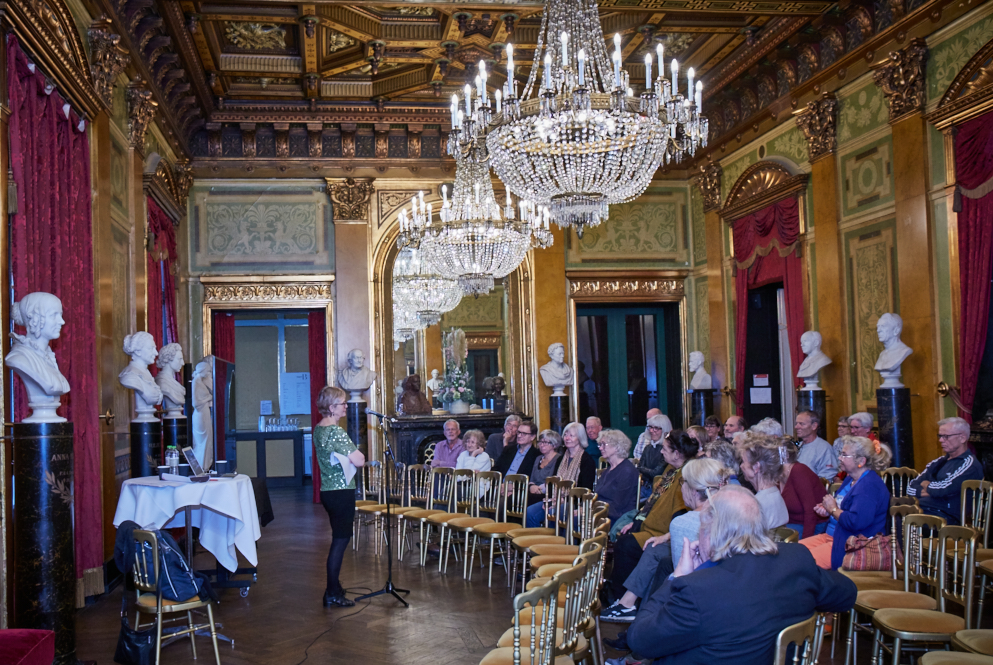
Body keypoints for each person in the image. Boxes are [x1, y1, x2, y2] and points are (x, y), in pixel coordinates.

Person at [627, 486, 858, 664]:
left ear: (713, 532)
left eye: (702, 528)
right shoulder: (796, 559)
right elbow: (847, 594)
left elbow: (639, 640)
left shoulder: (697, 589)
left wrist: (676, 577)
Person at [600, 458, 729, 623]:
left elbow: (682, 579)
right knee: (656, 552)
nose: (680, 487)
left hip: (695, 604)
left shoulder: (683, 523)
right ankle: (632, 607)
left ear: (694, 490)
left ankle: (642, 619)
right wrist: (667, 536)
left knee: (660, 565)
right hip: (721, 592)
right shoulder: (727, 511)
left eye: (683, 482)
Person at [608, 431, 698, 600]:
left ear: (676, 454)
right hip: (650, 524)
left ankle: (620, 597)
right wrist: (636, 521)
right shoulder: (671, 469)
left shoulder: (686, 474)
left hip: (662, 531)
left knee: (626, 545)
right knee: (625, 537)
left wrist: (665, 536)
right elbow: (653, 501)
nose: (661, 452)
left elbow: (681, 512)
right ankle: (618, 594)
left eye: (665, 449)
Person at [800, 436, 892, 569]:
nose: (839, 458)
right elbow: (841, 508)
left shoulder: (869, 486)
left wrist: (833, 510)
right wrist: (827, 509)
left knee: (800, 563)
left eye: (844, 455)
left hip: (851, 545)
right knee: (793, 552)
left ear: (861, 461)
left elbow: (856, 522)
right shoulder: (851, 479)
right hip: (834, 536)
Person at [314, 385, 366, 608]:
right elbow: (359, 460)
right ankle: (332, 592)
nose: (346, 406)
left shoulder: (318, 429)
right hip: (342, 492)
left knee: (338, 539)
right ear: (331, 407)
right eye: (342, 403)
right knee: (340, 541)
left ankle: (334, 587)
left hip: (328, 491)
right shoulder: (336, 432)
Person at [907, 417, 984, 525]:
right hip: (923, 509)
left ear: (962, 438)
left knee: (901, 517)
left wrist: (927, 485)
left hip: (946, 518)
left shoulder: (969, 464)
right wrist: (925, 491)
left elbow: (943, 489)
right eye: (940, 436)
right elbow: (910, 487)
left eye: (946, 436)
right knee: (895, 509)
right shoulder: (939, 461)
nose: (941, 440)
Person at [738, 433, 789, 529]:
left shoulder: (755, 505)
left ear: (756, 467)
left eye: (743, 461)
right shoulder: (775, 493)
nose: (741, 466)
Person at [780, 441, 829, 539]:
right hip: (790, 523)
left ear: (784, 456)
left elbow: (810, 512)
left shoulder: (799, 471)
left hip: (811, 525)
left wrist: (805, 542)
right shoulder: (777, 474)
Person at [593, 429, 639, 524]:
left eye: (603, 444)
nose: (600, 448)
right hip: (601, 512)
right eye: (600, 445)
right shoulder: (608, 470)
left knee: (572, 519)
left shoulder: (627, 471)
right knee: (567, 513)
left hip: (616, 517)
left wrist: (591, 510)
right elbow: (597, 495)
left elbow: (618, 505)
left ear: (617, 447)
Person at [794, 410, 838, 481]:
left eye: (801, 424)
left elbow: (827, 477)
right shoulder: (797, 446)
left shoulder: (824, 448)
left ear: (814, 426)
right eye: (796, 423)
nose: (796, 427)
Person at [553, 422, 596, 489]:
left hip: (578, 495)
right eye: (565, 435)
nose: (567, 438)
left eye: (571, 436)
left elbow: (586, 487)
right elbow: (554, 481)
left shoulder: (587, 460)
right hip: (557, 495)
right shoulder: (560, 459)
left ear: (580, 438)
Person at [526, 430, 562, 506]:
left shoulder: (559, 459)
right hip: (533, 492)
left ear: (554, 445)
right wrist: (531, 486)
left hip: (548, 494)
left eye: (545, 442)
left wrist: (540, 489)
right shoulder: (538, 458)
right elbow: (532, 479)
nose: (542, 445)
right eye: (540, 442)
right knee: (515, 498)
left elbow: (554, 480)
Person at [636, 414, 672, 485]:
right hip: (645, 485)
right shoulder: (648, 447)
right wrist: (643, 469)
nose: (651, 430)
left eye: (656, 428)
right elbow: (639, 469)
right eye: (650, 427)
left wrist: (642, 469)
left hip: (659, 486)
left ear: (664, 430)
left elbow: (656, 473)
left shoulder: (667, 449)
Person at [155, 343, 186, 417]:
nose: (183, 363)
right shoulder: (162, 382)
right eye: (179, 359)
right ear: (168, 359)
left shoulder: (172, 381)